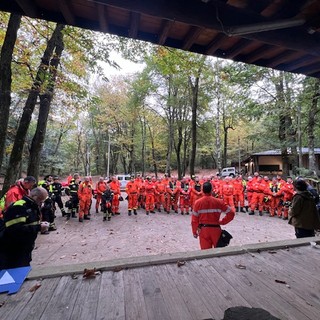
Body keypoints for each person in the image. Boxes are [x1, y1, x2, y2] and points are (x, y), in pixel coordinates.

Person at [0, 187, 48, 269]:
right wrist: (38, 227)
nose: (41, 203)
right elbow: (14, 230)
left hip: (24, 249)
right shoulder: (19, 207)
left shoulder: (32, 206)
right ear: (35, 197)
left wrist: (40, 224)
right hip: (13, 250)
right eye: (41, 200)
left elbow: (29, 223)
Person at [191, 182, 235, 250]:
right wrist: (222, 222)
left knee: (205, 254)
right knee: (218, 253)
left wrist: (194, 232)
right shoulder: (219, 202)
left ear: (202, 190)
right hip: (216, 229)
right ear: (212, 190)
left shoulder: (197, 203)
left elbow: (194, 220)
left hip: (203, 230)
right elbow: (231, 213)